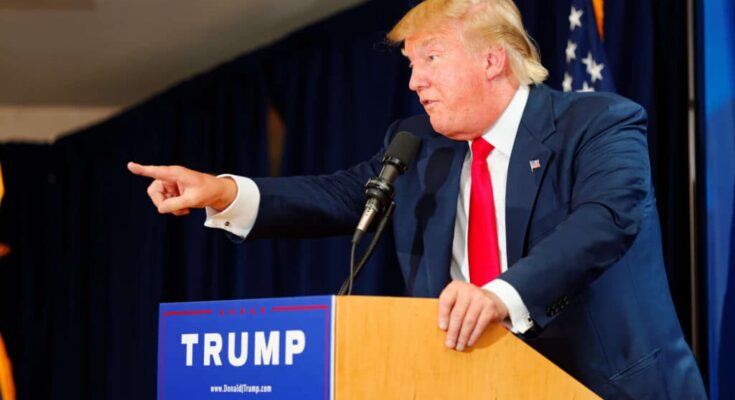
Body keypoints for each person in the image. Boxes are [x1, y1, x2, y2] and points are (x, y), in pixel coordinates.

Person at [128, 0, 706, 397]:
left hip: (605, 387)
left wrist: (500, 296)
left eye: (430, 58)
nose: (414, 81)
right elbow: (337, 196)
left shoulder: (600, 122)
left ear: (491, 59)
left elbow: (604, 222)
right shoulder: (417, 146)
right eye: (411, 65)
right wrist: (224, 191)